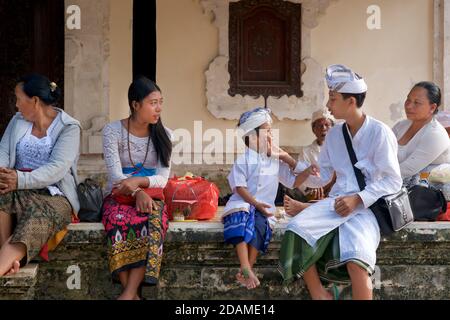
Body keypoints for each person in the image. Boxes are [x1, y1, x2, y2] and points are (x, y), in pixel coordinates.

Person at [278, 64, 402, 300]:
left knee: (357, 260)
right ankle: (320, 295)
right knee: (296, 230)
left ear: (351, 101)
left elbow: (392, 180)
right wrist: (288, 161)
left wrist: (357, 198)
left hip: (367, 208)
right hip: (335, 204)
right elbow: (321, 176)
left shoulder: (380, 132)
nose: (328, 105)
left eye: (332, 99)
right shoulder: (335, 135)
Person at [223, 107, 318, 290]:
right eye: (266, 132)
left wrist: (305, 171)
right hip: (243, 204)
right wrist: (255, 203)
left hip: (264, 208)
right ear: (252, 137)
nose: (270, 137)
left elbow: (292, 182)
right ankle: (244, 266)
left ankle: (248, 269)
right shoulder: (243, 159)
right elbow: (239, 187)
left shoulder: (275, 160)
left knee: (260, 226)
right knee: (242, 219)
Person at [0, 74, 81, 277]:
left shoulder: (69, 127)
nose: (17, 105)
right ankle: (8, 258)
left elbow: (57, 169)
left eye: (19, 99)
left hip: (53, 195)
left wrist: (19, 179)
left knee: (38, 215)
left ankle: (7, 260)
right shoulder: (17, 121)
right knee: (1, 193)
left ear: (34, 101)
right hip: (16, 187)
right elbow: (2, 153)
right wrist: (3, 174)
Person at [101, 76, 172, 300]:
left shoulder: (165, 134)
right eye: (153, 103)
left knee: (151, 223)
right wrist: (135, 191)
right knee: (118, 221)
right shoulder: (112, 131)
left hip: (151, 196)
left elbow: (163, 178)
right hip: (119, 196)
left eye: (161, 102)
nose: (158, 108)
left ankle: (128, 294)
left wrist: (140, 184)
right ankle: (132, 294)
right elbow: (115, 175)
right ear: (135, 105)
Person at [393, 82, 450, 186]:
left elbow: (407, 169)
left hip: (426, 194)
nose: (409, 106)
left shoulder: (436, 135)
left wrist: (373, 176)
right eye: (408, 99)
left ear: (432, 107)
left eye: (417, 102)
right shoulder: (401, 126)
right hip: (395, 184)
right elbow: (381, 152)